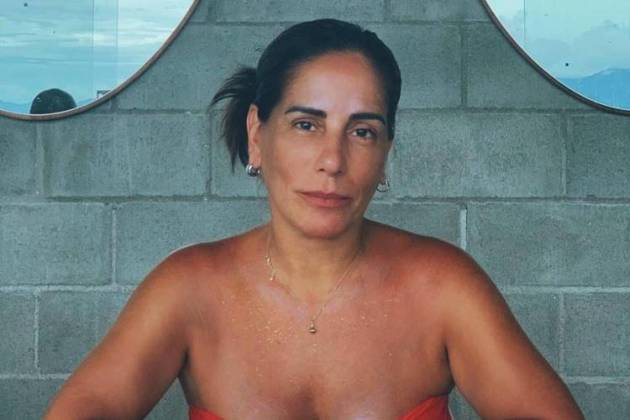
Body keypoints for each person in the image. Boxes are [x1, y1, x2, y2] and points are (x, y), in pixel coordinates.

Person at [44, 19, 584, 419]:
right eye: (306, 125)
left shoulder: (444, 286)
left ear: (385, 153)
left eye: (363, 131)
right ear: (258, 134)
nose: (333, 160)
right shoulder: (187, 288)